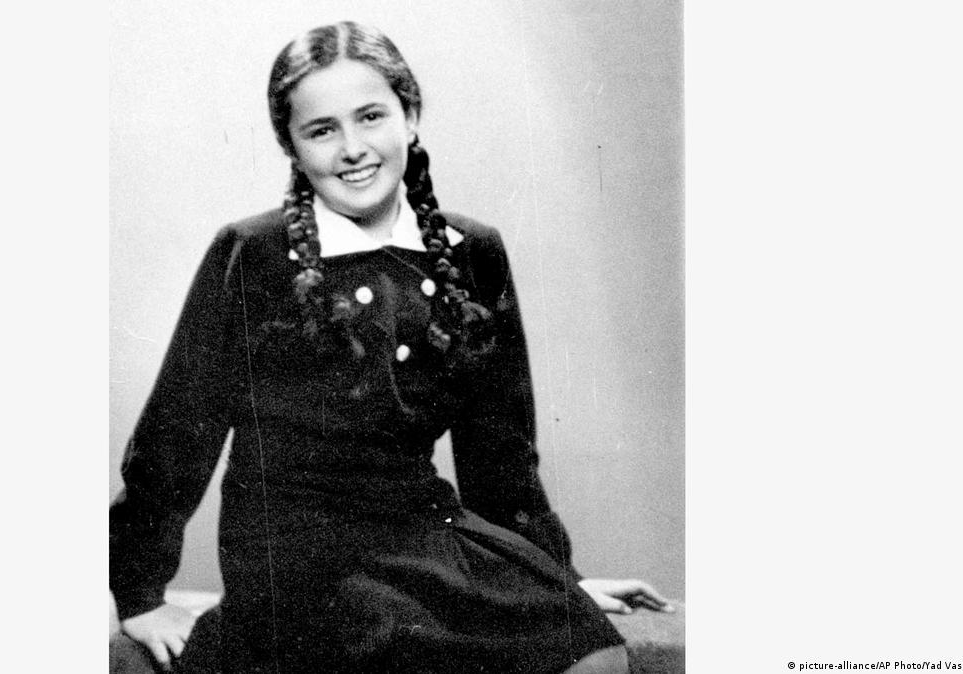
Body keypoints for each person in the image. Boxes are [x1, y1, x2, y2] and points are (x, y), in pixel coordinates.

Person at [110, 20, 671, 674]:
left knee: (595, 653)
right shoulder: (254, 253)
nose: (352, 149)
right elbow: (179, 427)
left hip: (423, 529)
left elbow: (500, 450)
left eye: (371, 117)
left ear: (410, 116)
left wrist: (549, 579)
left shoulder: (470, 252)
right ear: (292, 147)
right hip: (295, 554)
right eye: (322, 130)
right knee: (395, 641)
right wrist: (138, 591)